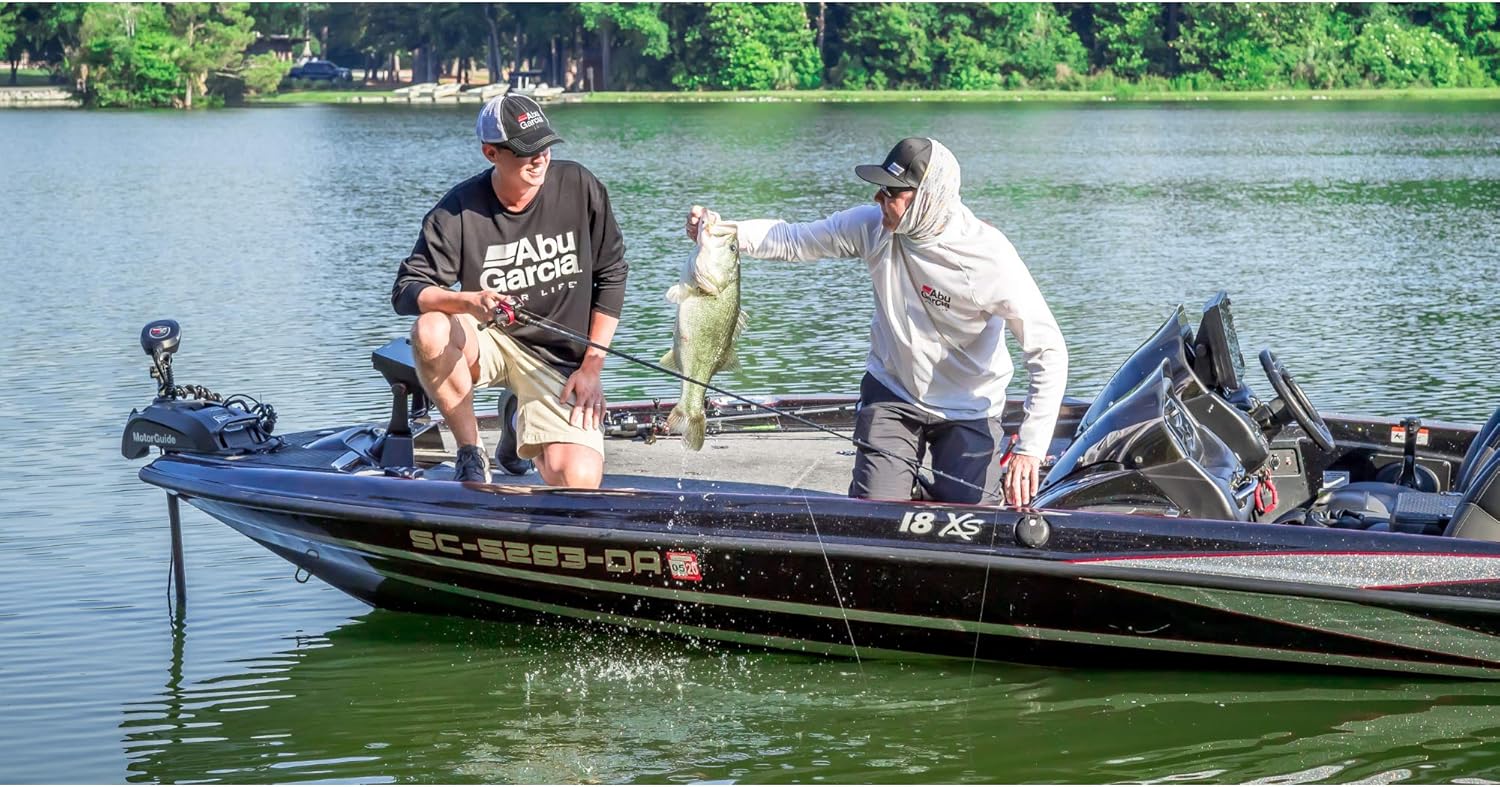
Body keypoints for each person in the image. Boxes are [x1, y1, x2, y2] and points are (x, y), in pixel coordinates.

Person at [686, 137, 1067, 506]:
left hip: (969, 407)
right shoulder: (874, 227)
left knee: (975, 522)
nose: (878, 198)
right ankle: (897, 481)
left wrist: (1030, 448)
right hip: (893, 393)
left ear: (927, 198)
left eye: (891, 192)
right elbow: (793, 239)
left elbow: (1048, 350)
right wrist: (721, 233)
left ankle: (924, 487)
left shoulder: (988, 257)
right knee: (876, 513)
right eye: (880, 189)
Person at [393, 94, 628, 486]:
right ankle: (471, 451)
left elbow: (612, 273)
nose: (540, 158)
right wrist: (467, 301)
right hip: (488, 338)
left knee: (577, 479)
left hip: (557, 358)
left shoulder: (579, 186)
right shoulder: (458, 209)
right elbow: (406, 290)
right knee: (430, 329)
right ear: (491, 153)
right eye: (524, 151)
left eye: (544, 146)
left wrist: (592, 367)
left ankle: (517, 419)